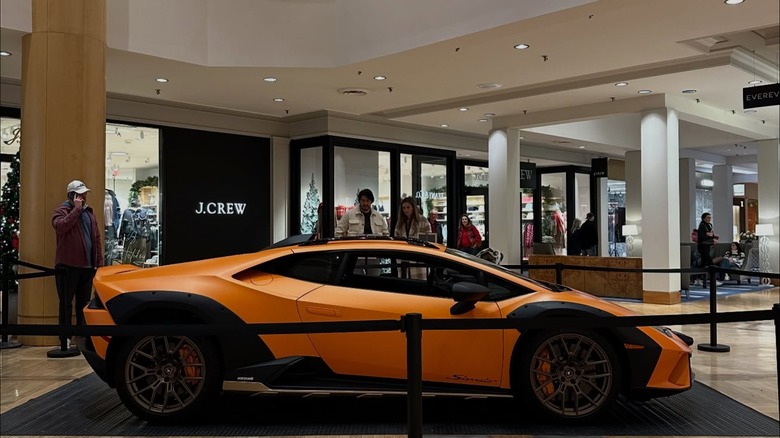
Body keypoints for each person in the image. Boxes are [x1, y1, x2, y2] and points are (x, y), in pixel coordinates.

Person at [51, 180, 103, 349]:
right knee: (65, 303)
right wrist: (76, 210)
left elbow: (96, 239)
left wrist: (99, 263)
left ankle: (82, 339)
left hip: (87, 268)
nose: (84, 197)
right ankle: (64, 339)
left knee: (84, 304)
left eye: (85, 194)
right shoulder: (62, 211)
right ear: (72, 195)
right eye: (80, 194)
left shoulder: (89, 214)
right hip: (67, 267)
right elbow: (60, 227)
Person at [697, 212, 720, 287]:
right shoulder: (702, 226)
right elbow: (701, 237)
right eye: (708, 217)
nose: (709, 219)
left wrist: (711, 236)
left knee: (703, 263)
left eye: (710, 217)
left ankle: (699, 279)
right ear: (704, 218)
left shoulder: (709, 225)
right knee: (710, 262)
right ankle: (714, 280)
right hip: (702, 246)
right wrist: (708, 235)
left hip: (707, 246)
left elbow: (711, 234)